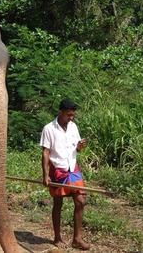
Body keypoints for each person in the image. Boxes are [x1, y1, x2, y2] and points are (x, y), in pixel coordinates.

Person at [40, 98, 91, 250]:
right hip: (58, 170)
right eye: (68, 115)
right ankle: (57, 237)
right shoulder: (49, 129)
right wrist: (45, 175)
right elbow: (45, 153)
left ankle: (77, 239)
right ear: (60, 112)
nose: (71, 118)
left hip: (73, 169)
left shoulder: (73, 127)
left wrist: (80, 147)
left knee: (80, 200)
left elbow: (76, 148)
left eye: (72, 115)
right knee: (58, 203)